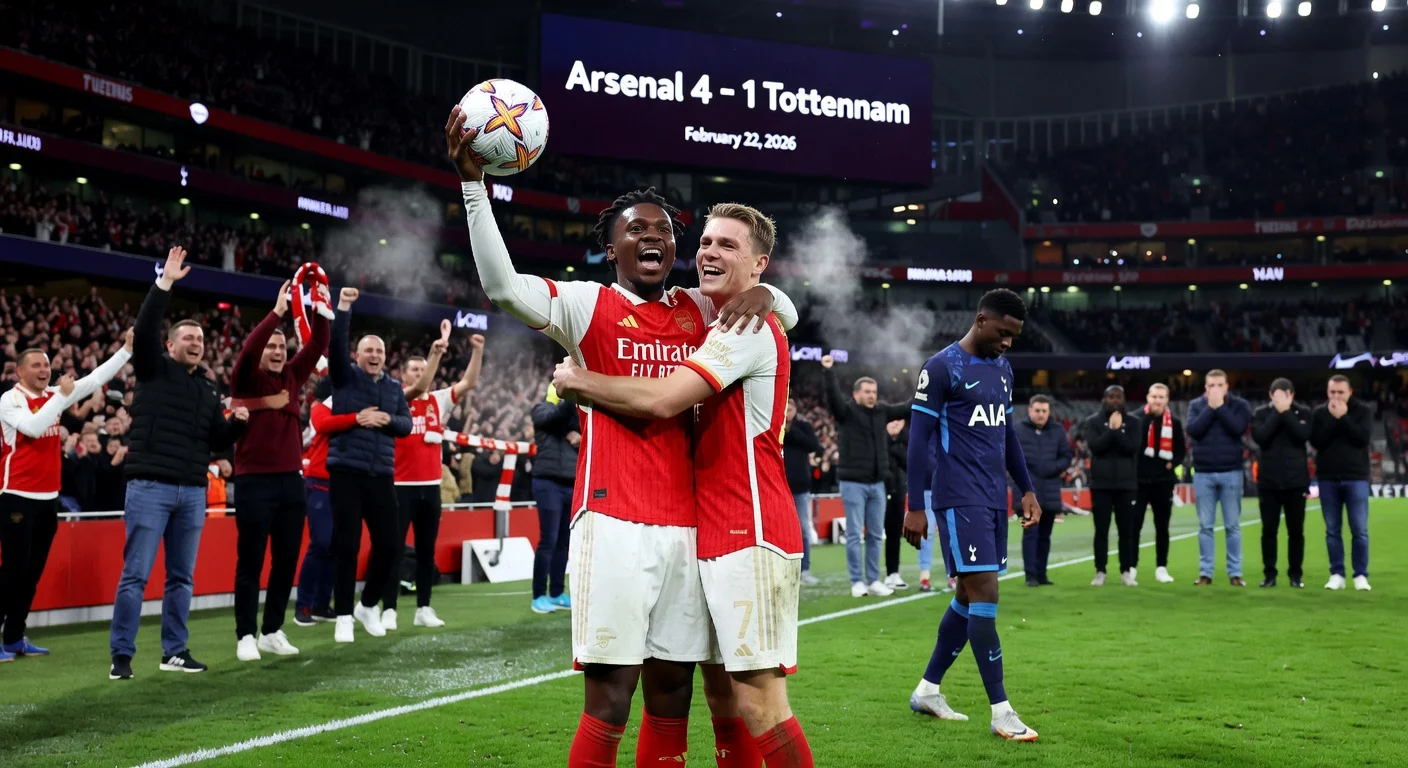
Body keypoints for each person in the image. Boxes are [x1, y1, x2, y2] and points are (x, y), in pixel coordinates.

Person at [447, 106, 797, 767]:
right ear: (612, 249)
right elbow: (499, 287)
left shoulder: (699, 309)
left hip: (694, 534)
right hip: (612, 522)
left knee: (674, 695)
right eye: (636, 230)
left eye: (665, 230)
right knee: (610, 698)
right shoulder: (585, 306)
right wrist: (474, 186)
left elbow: (770, 304)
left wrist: (772, 295)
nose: (654, 238)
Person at [553, 201, 813, 768]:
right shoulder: (716, 323)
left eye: (728, 245)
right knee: (722, 692)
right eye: (707, 243)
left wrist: (579, 380)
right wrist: (775, 295)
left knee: (758, 700)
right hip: (711, 531)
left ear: (760, 263)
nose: (709, 253)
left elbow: (663, 400)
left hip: (751, 528)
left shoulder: (746, 327)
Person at [904, 288, 1041, 741]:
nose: (1008, 344)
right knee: (986, 593)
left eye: (1014, 337)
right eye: (1003, 333)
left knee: (967, 595)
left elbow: (1008, 436)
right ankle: (1002, 711)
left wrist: (1025, 489)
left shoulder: (1002, 369)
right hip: (958, 499)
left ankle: (927, 690)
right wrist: (915, 506)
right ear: (982, 320)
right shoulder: (942, 368)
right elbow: (918, 441)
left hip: (991, 497)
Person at [109, 246, 250, 680]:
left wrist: (237, 426)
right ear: (169, 345)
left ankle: (174, 650)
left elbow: (214, 440)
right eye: (188, 338)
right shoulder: (151, 367)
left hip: (191, 490)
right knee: (135, 575)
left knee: (181, 579)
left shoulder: (208, 389)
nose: (197, 343)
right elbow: (146, 325)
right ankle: (122, 656)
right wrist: (164, 282)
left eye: (201, 340)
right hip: (150, 486)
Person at [1, 331, 132, 661]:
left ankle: (14, 637)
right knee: (12, 571)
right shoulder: (10, 400)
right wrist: (61, 397)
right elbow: (32, 427)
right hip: (16, 494)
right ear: (19, 372)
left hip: (48, 498)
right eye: (36, 365)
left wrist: (126, 351)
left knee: (31, 572)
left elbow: (95, 378)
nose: (44, 370)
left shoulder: (52, 393)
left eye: (46, 365)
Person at [228, 276, 331, 662]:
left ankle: (272, 630)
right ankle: (245, 635)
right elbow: (249, 348)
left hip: (291, 482)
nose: (275, 350)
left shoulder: (291, 375)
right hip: (253, 480)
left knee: (286, 560)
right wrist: (276, 314)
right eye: (270, 346)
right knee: (250, 561)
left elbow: (319, 345)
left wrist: (321, 307)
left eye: (280, 346)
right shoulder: (247, 376)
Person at [326, 287, 412, 643]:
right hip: (346, 470)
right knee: (346, 545)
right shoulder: (345, 378)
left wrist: (385, 420)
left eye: (379, 351)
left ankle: (368, 604)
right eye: (368, 350)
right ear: (356, 355)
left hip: (381, 475)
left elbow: (406, 425)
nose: (375, 355)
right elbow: (333, 347)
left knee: (390, 546)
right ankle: (343, 615)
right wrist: (343, 307)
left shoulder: (394, 388)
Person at [386, 324, 483, 631]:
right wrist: (434, 355)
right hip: (400, 487)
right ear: (404, 375)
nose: (418, 373)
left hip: (430, 487)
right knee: (393, 549)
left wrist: (478, 350)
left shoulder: (438, 400)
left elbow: (468, 382)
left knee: (427, 550)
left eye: (422, 369)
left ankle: (423, 607)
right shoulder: (396, 398)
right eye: (414, 369)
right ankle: (388, 608)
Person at [820, 356, 912, 598]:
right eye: (868, 391)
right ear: (857, 393)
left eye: (874, 391)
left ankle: (872, 580)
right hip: (853, 483)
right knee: (853, 534)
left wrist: (927, 388)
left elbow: (906, 407)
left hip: (878, 483)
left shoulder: (881, 411)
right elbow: (833, 399)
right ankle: (856, 581)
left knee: (874, 534)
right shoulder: (847, 412)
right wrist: (829, 372)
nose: (872, 395)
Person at [292, 378, 353, 627]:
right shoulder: (321, 406)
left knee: (334, 547)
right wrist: (358, 418)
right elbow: (323, 423)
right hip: (319, 480)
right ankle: (303, 606)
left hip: (343, 482)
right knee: (320, 544)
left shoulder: (347, 408)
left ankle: (320, 604)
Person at [1185, 370, 1252, 587]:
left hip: (1231, 471)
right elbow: (1194, 430)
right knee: (1205, 526)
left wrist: (1220, 407)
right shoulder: (1196, 405)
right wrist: (1210, 408)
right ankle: (1206, 573)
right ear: (1205, 388)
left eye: (1219, 385)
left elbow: (1237, 429)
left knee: (1232, 525)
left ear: (1226, 386)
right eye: (1211, 385)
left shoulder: (1240, 405)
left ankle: (1235, 573)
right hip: (1203, 473)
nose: (1215, 389)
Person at [1309, 375, 1373, 591]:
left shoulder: (1362, 411)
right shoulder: (1319, 413)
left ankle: (1360, 575)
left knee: (1359, 530)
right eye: (1332, 392)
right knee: (1332, 530)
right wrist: (1334, 419)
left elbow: (1362, 438)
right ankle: (1337, 574)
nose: (1335, 397)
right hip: (1328, 478)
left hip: (1356, 477)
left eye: (1340, 392)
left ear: (1350, 392)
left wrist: (1344, 418)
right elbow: (1317, 441)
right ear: (1327, 392)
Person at [1250, 378, 1311, 589]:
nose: (1281, 400)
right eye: (1276, 396)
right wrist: (1278, 413)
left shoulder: (1303, 412)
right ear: (1270, 396)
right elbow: (1261, 437)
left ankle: (1296, 575)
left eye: (1285, 396)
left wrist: (1286, 412)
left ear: (1292, 395)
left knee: (1296, 532)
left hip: (1296, 482)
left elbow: (1302, 435)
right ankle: (1269, 575)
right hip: (1269, 482)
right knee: (1269, 531)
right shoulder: (1260, 414)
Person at [1083, 386, 1141, 586]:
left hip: (1127, 484)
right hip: (1101, 485)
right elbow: (1096, 447)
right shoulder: (1093, 422)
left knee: (1127, 531)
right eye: (1111, 396)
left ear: (1124, 399)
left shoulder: (1134, 422)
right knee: (1101, 531)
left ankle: (1126, 571)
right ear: (1104, 398)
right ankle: (1100, 571)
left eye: (1118, 397)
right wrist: (1112, 430)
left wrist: (1114, 432)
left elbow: (1131, 448)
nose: (1114, 400)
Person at [530, 382, 579, 614]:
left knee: (563, 542)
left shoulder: (573, 418)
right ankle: (538, 595)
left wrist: (579, 437)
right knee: (548, 540)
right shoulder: (541, 410)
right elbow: (559, 413)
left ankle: (557, 592)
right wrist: (573, 391)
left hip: (569, 483)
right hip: (547, 482)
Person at [1013, 395, 1071, 587]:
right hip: (1028, 492)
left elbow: (1066, 456)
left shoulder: (1057, 430)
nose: (1041, 414)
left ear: (1049, 412)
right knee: (1030, 534)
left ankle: (1042, 573)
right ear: (1030, 411)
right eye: (1037, 410)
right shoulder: (1018, 430)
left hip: (1050, 490)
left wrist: (1052, 468)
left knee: (1045, 535)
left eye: (1044, 411)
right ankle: (1030, 575)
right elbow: (1010, 456)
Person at [1135, 383, 1186, 584]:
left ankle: (1161, 568)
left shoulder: (1173, 422)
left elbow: (1181, 450)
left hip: (1163, 482)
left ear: (1167, 400)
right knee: (1134, 526)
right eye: (1154, 396)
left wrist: (1172, 463)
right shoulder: (1136, 418)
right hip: (1139, 481)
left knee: (1162, 527)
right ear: (1148, 397)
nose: (1157, 400)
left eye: (1161, 397)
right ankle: (1131, 567)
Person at [783, 398, 823, 586]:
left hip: (800, 486)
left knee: (803, 529)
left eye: (790, 408)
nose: (787, 412)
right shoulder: (772, 425)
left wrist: (793, 431)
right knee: (779, 530)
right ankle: (783, 570)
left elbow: (813, 446)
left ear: (795, 409)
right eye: (784, 408)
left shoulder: (803, 427)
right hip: (778, 487)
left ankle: (804, 569)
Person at [883, 419, 910, 589]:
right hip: (879, 490)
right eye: (891, 420)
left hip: (898, 491)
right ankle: (868, 578)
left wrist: (894, 444)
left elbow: (909, 462)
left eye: (898, 421)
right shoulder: (878, 438)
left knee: (894, 534)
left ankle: (893, 573)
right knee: (874, 536)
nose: (894, 424)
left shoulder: (907, 439)